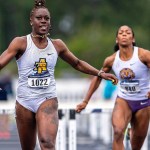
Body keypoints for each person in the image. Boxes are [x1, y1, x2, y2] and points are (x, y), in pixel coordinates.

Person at [0, 0, 117, 149]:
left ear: (50, 22)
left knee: (47, 143)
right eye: (39, 18)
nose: (43, 21)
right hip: (24, 101)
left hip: (47, 98)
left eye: (46, 18)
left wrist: (100, 73)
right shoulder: (20, 43)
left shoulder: (57, 45)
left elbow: (77, 63)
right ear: (31, 21)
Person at [76, 25, 150, 150]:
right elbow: (98, 77)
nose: (124, 34)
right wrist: (85, 101)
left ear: (133, 39)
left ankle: (132, 132)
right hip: (124, 100)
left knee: (136, 145)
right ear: (117, 39)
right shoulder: (111, 60)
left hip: (143, 102)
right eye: (121, 33)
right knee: (117, 131)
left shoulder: (144, 55)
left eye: (128, 32)